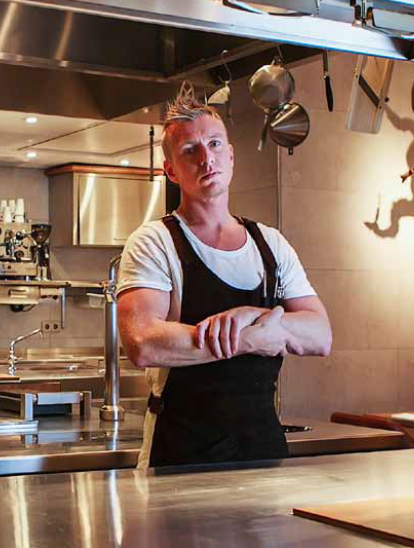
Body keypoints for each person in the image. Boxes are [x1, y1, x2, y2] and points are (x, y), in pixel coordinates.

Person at [117, 94, 332, 468]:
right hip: (180, 452)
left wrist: (249, 313)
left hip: (263, 445)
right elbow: (143, 342)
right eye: (190, 150)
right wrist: (252, 337)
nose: (206, 157)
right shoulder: (154, 241)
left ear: (231, 155)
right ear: (171, 171)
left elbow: (320, 335)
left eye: (214, 144)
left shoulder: (271, 244)